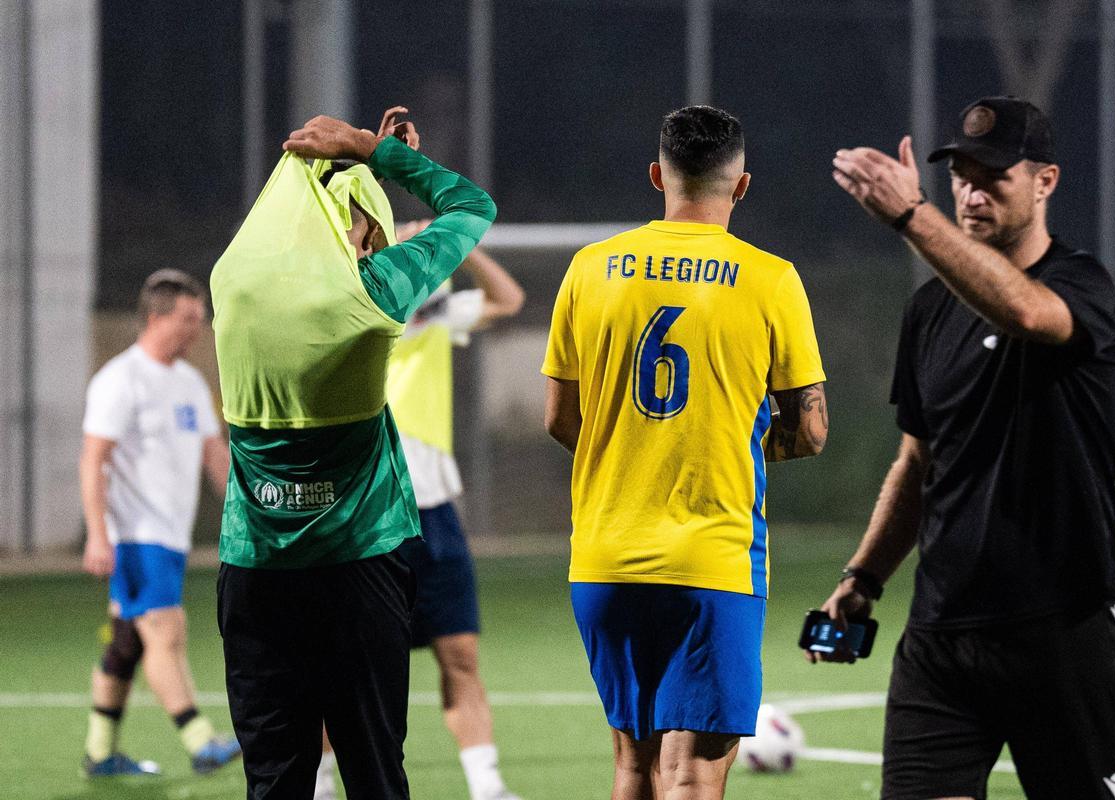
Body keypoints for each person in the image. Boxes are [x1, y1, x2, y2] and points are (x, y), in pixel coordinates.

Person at [820, 96, 1115, 799]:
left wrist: (913, 217)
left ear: (1046, 181)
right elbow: (916, 465)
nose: (972, 191)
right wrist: (863, 577)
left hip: (1062, 625)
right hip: (943, 634)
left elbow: (1026, 313)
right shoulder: (927, 314)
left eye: (994, 176)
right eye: (961, 176)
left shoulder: (1081, 285)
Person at [542, 105, 828, 800]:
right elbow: (812, 430)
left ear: (656, 176)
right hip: (713, 557)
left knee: (633, 765)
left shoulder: (590, 268)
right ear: (742, 185)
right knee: (693, 771)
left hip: (604, 555)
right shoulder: (770, 278)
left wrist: (635, 447)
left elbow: (558, 416)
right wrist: (734, 443)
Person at [210, 106, 495, 800]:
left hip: (255, 570)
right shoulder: (375, 292)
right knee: (374, 773)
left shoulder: (231, 285)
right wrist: (374, 152)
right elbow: (471, 206)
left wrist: (318, 160)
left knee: (275, 779)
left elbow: (290, 216)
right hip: (356, 569)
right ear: (366, 229)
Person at [313, 229, 525, 800]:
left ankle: (488, 787)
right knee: (349, 662)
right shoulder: (341, 303)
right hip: (369, 509)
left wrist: (460, 246)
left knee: (460, 653)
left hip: (433, 511)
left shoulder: (428, 309)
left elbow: (508, 300)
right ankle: (321, 783)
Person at [79, 268, 240, 777]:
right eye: (190, 318)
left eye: (202, 319)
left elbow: (215, 455)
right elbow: (92, 460)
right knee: (165, 631)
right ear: (156, 317)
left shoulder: (190, 381)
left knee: (126, 643)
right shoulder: (120, 380)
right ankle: (200, 742)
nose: (199, 329)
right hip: (135, 536)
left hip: (167, 536)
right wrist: (99, 534)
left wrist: (250, 510)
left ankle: (100, 753)